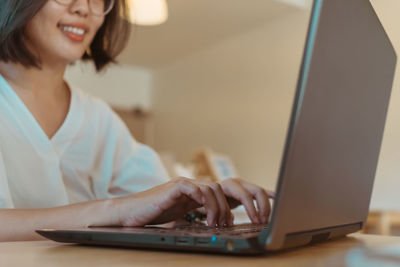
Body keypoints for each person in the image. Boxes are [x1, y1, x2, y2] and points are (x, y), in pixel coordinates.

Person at [0, 0, 272, 242]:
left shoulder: (98, 118)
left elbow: (155, 203)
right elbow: (129, 208)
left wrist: (201, 201)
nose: (84, 7)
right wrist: (115, 210)